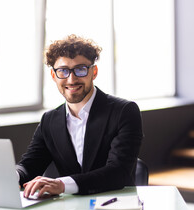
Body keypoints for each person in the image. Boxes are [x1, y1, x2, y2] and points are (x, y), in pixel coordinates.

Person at [16, 34, 143, 198]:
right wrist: (13, 175)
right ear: (54, 76)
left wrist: (62, 185)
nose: (71, 79)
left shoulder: (124, 111)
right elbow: (29, 165)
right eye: (63, 71)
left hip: (114, 207)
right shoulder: (49, 120)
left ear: (94, 72)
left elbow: (118, 172)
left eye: (80, 69)